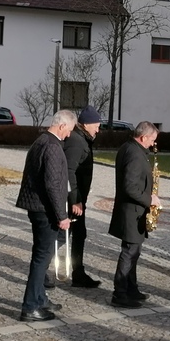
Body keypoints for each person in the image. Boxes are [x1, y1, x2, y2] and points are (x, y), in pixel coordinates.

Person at [15, 110, 75, 322]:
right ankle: (30, 306)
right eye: (69, 130)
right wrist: (62, 215)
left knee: (42, 256)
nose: (68, 135)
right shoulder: (51, 146)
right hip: (45, 210)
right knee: (41, 259)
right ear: (61, 126)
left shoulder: (40, 140)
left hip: (38, 208)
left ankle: (40, 299)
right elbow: (52, 185)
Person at [108, 122, 161, 308]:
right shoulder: (135, 154)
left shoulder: (129, 148)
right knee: (130, 252)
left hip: (131, 211)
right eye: (152, 140)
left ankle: (131, 288)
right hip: (132, 212)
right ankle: (120, 293)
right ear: (143, 137)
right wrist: (150, 199)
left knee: (134, 251)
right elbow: (130, 186)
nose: (153, 144)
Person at [61, 105, 103, 288]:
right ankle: (44, 272)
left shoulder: (82, 139)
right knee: (61, 236)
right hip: (73, 201)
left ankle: (78, 273)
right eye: (97, 125)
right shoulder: (77, 141)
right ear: (86, 124)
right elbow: (69, 172)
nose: (98, 129)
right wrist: (75, 200)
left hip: (78, 199)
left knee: (79, 234)